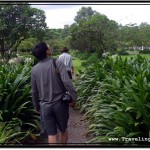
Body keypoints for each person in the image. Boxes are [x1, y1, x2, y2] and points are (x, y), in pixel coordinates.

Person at [31, 42, 77, 144]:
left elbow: (34, 91)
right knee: (63, 130)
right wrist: (74, 98)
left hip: (45, 106)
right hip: (60, 104)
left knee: (51, 134)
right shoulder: (57, 62)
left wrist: (36, 106)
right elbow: (67, 82)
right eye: (48, 47)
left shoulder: (34, 69)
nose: (49, 47)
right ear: (46, 51)